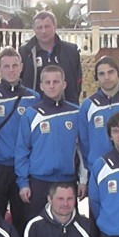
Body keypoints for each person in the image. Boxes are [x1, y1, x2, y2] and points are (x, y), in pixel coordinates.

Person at [15, 65, 86, 221]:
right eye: (47, 82)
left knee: (67, 226)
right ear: (41, 86)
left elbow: (82, 150)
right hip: (39, 182)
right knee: (36, 226)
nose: (52, 86)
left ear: (64, 84)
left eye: (56, 82)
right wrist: (23, 182)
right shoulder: (32, 114)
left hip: (67, 181)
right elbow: (22, 151)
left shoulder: (76, 113)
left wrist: (83, 180)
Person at [0, 47, 39, 233]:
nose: (11, 70)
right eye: (6, 66)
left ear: (21, 67)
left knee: (22, 219)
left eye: (15, 65)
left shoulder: (33, 97)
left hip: (23, 169)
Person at [17, 11, 83, 104]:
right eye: (39, 27)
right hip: (34, 109)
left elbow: (78, 82)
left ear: (55, 27)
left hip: (66, 108)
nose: (43, 31)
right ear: (34, 29)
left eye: (47, 26)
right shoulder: (24, 53)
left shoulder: (71, 51)